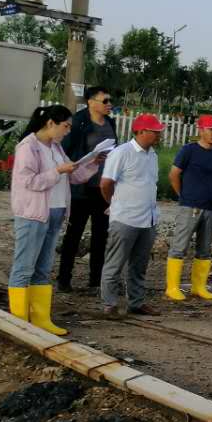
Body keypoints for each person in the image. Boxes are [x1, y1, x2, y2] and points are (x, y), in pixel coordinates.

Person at [10, 105, 105, 333]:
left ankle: (40, 319)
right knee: (24, 267)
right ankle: (18, 323)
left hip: (55, 213)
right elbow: (29, 181)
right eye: (66, 126)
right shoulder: (28, 147)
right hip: (33, 215)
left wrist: (93, 163)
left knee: (43, 268)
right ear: (50, 123)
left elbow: (74, 176)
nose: (68, 131)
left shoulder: (55, 147)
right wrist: (58, 171)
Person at [100, 114, 165, 318]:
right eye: (155, 131)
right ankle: (109, 304)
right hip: (125, 218)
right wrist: (114, 203)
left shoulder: (152, 155)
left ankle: (136, 302)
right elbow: (106, 183)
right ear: (141, 131)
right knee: (115, 263)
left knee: (139, 264)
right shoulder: (121, 153)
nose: (159, 135)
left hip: (148, 218)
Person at [57, 86, 117, 293]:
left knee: (101, 236)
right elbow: (65, 152)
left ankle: (95, 281)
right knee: (74, 234)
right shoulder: (78, 123)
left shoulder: (110, 123)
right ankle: (64, 279)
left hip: (103, 188)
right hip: (81, 188)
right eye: (105, 100)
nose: (109, 104)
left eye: (110, 100)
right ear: (91, 102)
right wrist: (86, 161)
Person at [165, 115, 212, 302]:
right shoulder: (188, 151)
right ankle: (172, 288)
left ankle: (199, 287)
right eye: (211, 129)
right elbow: (173, 175)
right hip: (190, 206)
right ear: (200, 130)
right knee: (179, 247)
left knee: (205, 248)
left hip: (211, 207)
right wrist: (183, 195)